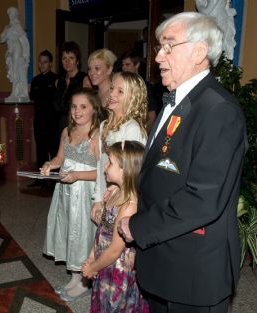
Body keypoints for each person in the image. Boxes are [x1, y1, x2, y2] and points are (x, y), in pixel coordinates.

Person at [118, 12, 248, 313]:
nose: (159, 56)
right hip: (163, 257)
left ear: (199, 52)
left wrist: (138, 227)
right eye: (159, 46)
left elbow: (203, 198)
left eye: (169, 45)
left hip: (194, 269)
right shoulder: (177, 99)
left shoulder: (219, 110)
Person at [41, 88, 102, 301]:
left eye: (83, 107)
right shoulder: (66, 132)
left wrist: (76, 174)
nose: (77, 111)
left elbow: (102, 172)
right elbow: (60, 158)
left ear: (94, 109)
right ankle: (75, 277)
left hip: (85, 193)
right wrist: (50, 165)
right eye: (74, 106)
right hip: (65, 191)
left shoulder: (96, 136)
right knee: (69, 231)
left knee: (82, 233)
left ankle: (85, 281)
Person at [82, 141, 149, 313]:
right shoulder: (116, 192)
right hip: (104, 262)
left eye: (110, 162)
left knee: (114, 306)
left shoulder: (128, 206)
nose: (105, 165)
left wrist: (93, 267)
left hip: (116, 270)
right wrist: (92, 256)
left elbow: (114, 250)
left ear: (125, 171)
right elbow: (102, 228)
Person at [91, 72, 148, 225]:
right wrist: (97, 199)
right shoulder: (104, 126)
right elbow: (100, 165)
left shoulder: (131, 129)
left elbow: (133, 173)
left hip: (122, 201)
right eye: (111, 88)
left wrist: (113, 201)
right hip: (106, 194)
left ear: (133, 98)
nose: (112, 94)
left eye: (120, 91)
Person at [29, 50, 58, 187]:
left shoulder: (56, 79)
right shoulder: (35, 80)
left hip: (52, 123)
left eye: (45, 62)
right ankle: (40, 179)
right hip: (39, 122)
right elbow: (33, 97)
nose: (42, 65)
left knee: (53, 151)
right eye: (40, 62)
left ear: (50, 63)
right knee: (40, 151)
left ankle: (53, 182)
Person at [121, 50, 162, 132]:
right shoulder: (121, 84)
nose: (124, 68)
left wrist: (144, 135)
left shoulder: (145, 86)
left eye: (127, 65)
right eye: (123, 65)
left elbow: (152, 115)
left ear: (137, 65)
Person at [54, 41, 88, 137]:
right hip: (58, 129)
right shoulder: (58, 81)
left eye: (71, 58)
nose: (67, 62)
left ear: (77, 61)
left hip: (76, 130)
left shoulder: (84, 79)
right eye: (64, 58)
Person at [0, 6, 30, 102]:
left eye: (12, 13)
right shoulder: (8, 27)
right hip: (10, 50)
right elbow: (1, 39)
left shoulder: (17, 26)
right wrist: (6, 31)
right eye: (9, 14)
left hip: (17, 48)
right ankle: (15, 92)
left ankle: (14, 93)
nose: (11, 16)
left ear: (15, 15)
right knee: (13, 70)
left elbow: (24, 40)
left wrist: (26, 55)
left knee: (16, 70)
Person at [87, 48, 117, 120]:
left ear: (109, 69)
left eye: (97, 68)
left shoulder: (116, 95)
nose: (91, 72)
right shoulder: (93, 95)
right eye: (90, 69)